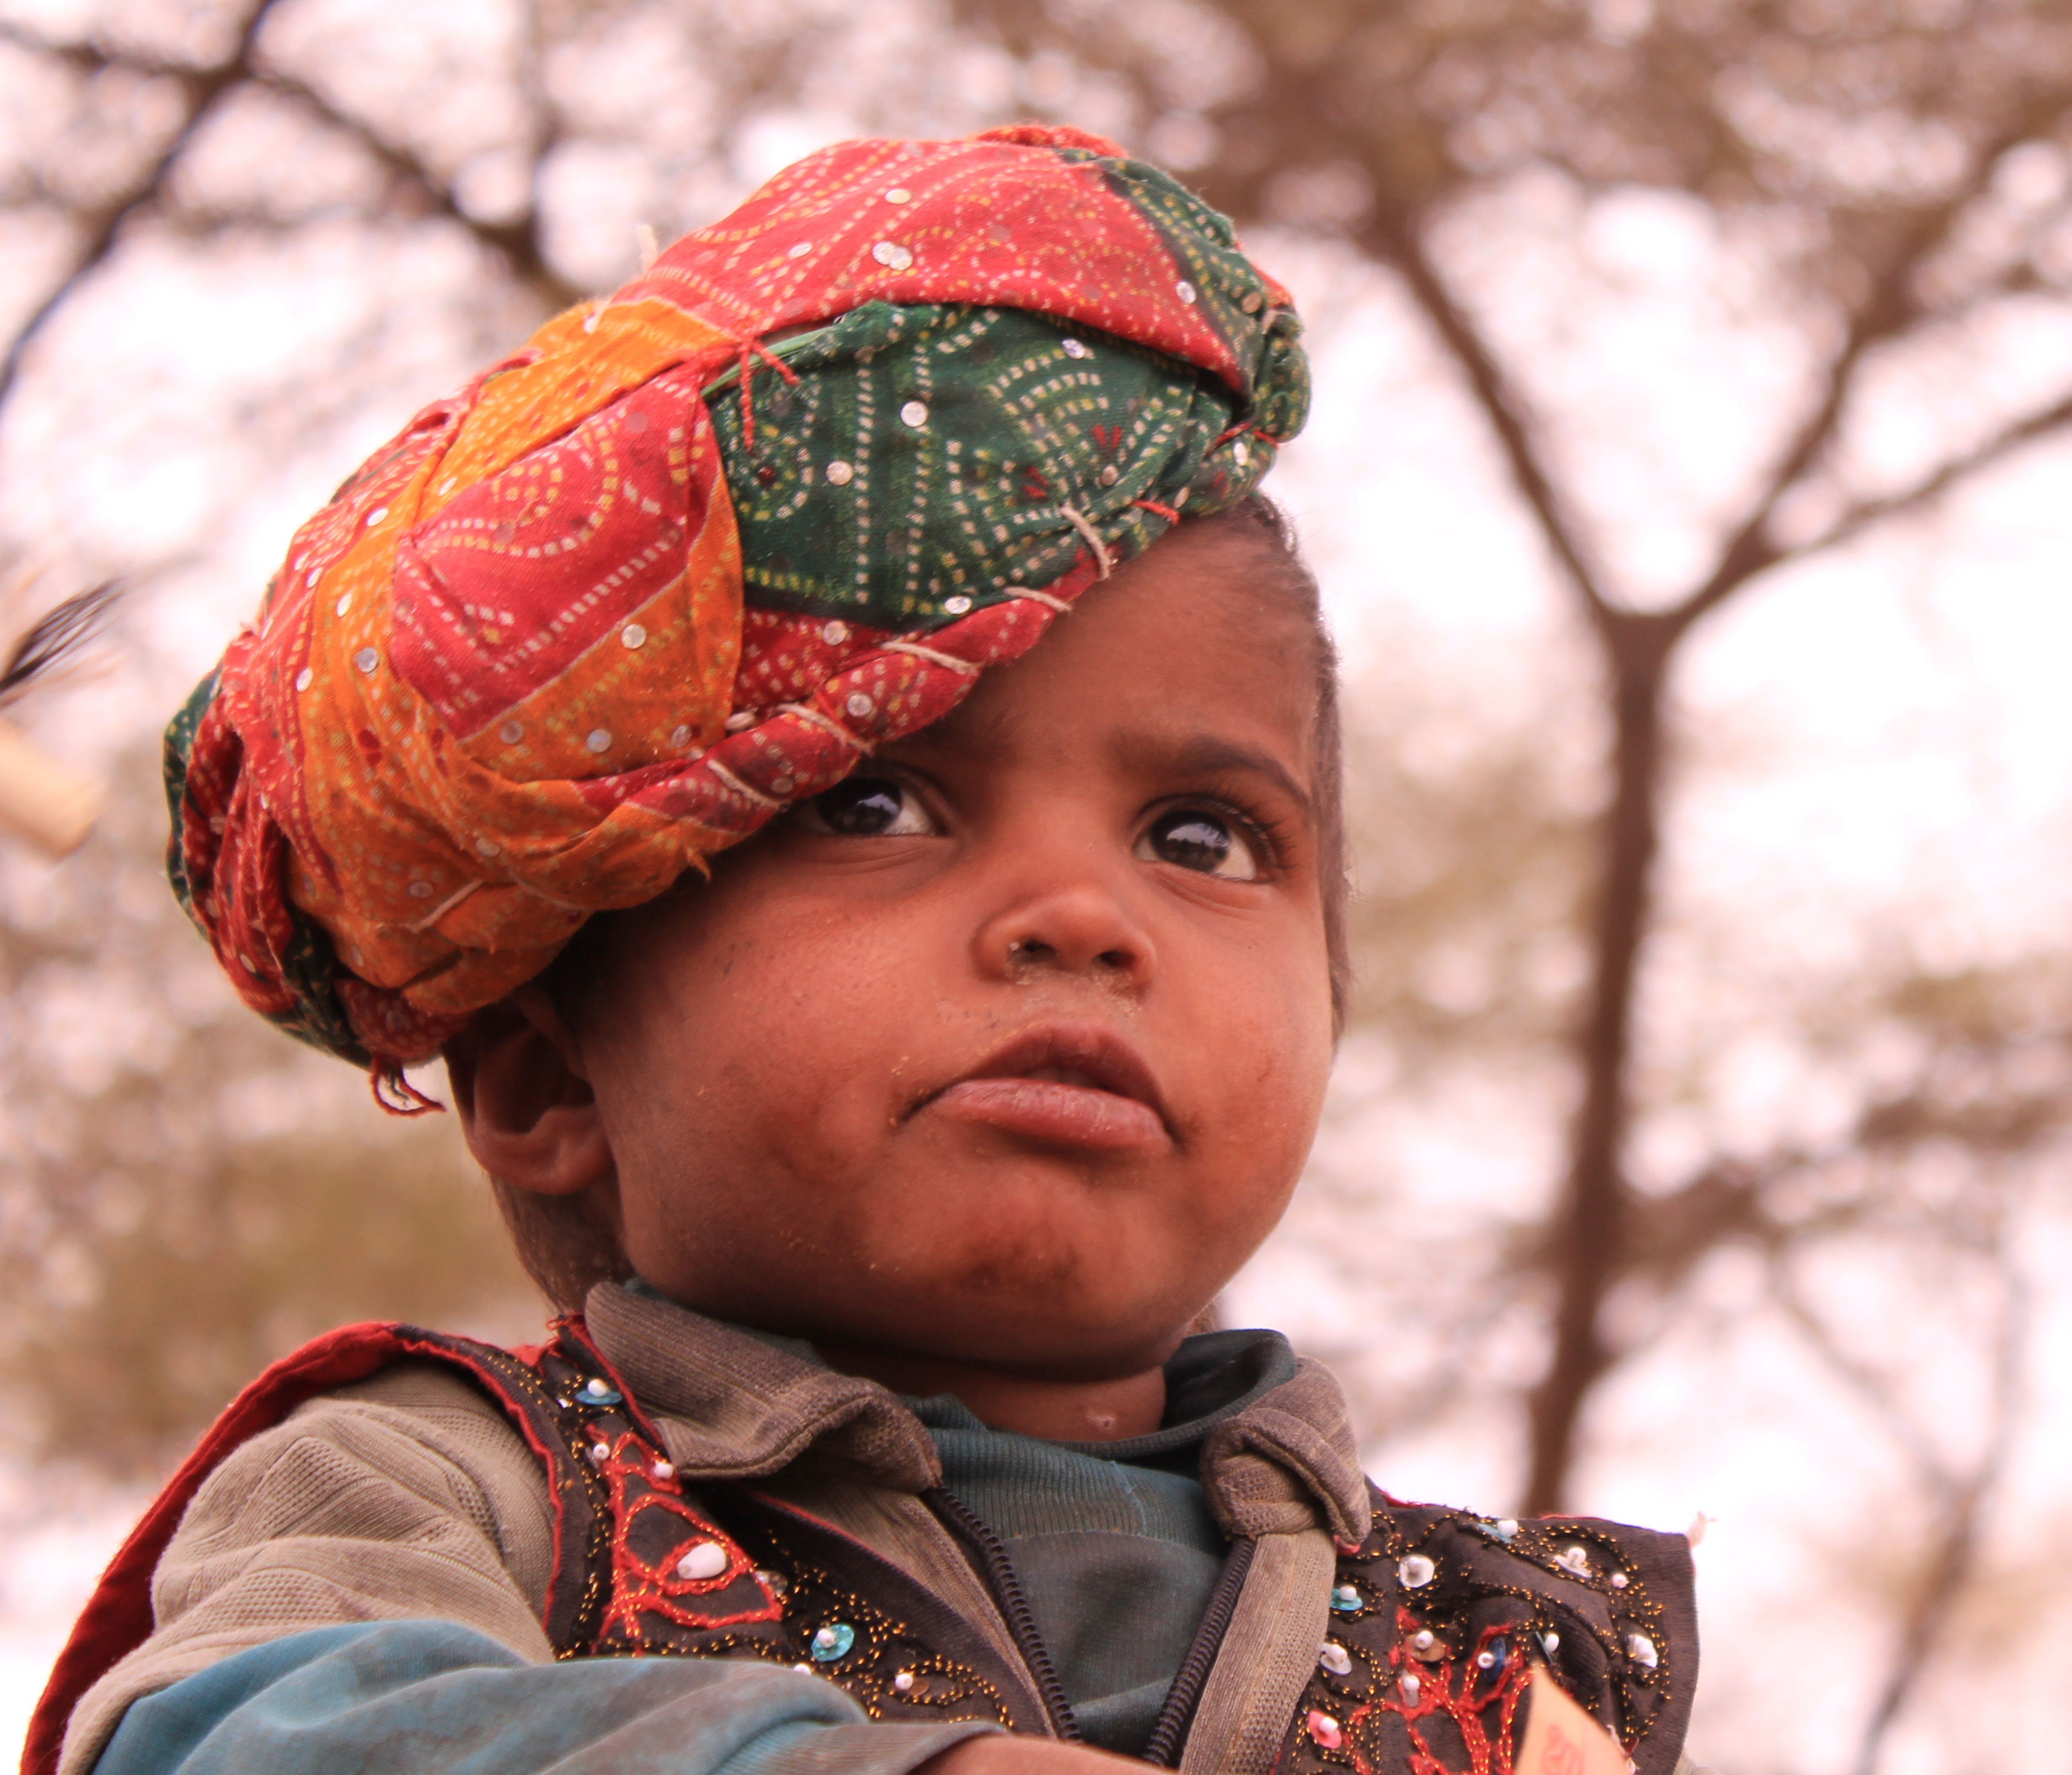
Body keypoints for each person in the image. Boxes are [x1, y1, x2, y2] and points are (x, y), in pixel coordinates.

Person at [22, 129, 1695, 1775]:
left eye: (1201, 837)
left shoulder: (1509, 1659)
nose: (1083, 919)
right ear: (548, 1076)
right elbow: (238, 1742)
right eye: (880, 809)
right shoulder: (452, 1487)